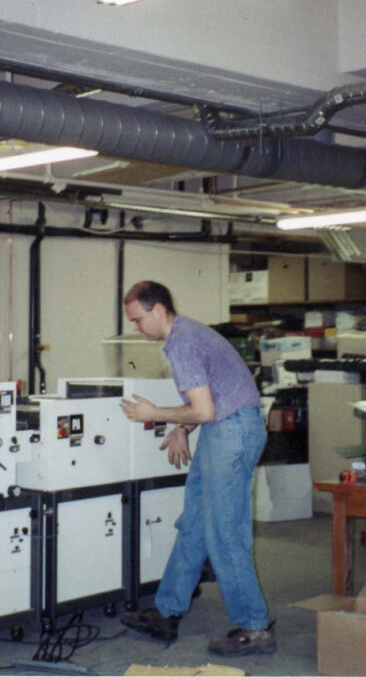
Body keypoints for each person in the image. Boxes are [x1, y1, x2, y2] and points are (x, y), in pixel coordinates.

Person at [118, 280, 275, 656]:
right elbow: (208, 402)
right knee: (193, 524)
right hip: (227, 427)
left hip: (232, 432)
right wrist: (180, 428)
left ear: (158, 310)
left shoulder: (183, 343)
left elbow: (204, 410)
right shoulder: (185, 334)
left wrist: (154, 413)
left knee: (224, 532)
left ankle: (255, 628)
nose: (136, 328)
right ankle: (167, 611)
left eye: (138, 320)